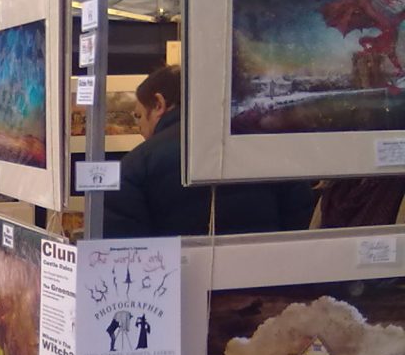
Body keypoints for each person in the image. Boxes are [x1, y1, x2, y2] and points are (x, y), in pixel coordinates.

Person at [103, 65, 315, 238]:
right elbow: (298, 219)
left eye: (139, 116)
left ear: (159, 104)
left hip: (179, 284)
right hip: (264, 281)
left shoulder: (135, 166)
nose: (140, 130)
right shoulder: (266, 147)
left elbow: (125, 245)